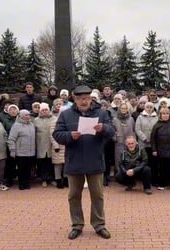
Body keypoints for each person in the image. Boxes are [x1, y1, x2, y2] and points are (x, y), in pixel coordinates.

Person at [52, 85, 115, 240]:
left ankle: (99, 225)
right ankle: (77, 225)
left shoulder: (101, 113)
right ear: (75, 99)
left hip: (95, 160)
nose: (84, 101)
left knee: (97, 195)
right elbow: (57, 134)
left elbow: (112, 130)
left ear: (90, 98)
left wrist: (103, 128)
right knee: (74, 195)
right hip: (74, 161)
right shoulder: (66, 114)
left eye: (86, 98)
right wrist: (69, 136)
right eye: (80, 98)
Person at [150, 107, 170, 191]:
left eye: (167, 113)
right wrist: (154, 150)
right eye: (163, 114)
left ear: (169, 114)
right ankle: (162, 183)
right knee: (162, 168)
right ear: (160, 115)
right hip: (160, 149)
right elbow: (153, 139)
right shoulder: (157, 125)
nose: (165, 115)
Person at [8, 109, 36, 190]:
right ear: (21, 116)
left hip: (30, 151)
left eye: (28, 115)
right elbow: (11, 139)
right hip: (21, 152)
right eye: (25, 115)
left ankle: (27, 183)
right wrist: (12, 150)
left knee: (28, 169)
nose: (27, 117)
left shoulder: (31, 124)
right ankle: (22, 184)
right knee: (21, 169)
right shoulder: (16, 126)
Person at [135, 101, 158, 186]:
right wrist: (144, 138)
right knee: (144, 162)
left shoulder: (157, 117)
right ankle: (143, 180)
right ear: (144, 108)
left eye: (151, 107)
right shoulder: (140, 117)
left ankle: (153, 180)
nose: (149, 109)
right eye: (147, 107)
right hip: (143, 144)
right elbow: (137, 129)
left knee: (153, 163)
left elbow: (157, 129)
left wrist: (152, 139)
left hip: (153, 144)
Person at [34, 103, 55, 187]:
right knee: (42, 162)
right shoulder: (36, 120)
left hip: (51, 144)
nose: (44, 111)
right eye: (43, 110)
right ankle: (44, 179)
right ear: (40, 111)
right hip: (41, 144)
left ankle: (52, 178)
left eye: (46, 110)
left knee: (51, 162)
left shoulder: (54, 119)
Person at [112, 102, 135, 173]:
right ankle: (120, 175)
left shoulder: (131, 119)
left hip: (129, 143)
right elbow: (112, 130)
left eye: (125, 108)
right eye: (122, 108)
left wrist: (133, 140)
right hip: (119, 142)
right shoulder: (115, 119)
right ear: (119, 109)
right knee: (119, 159)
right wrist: (115, 138)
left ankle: (129, 175)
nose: (124, 110)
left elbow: (134, 130)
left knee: (129, 159)